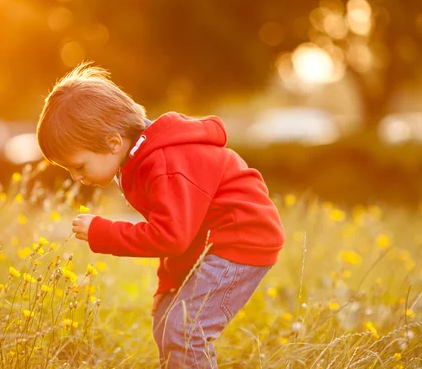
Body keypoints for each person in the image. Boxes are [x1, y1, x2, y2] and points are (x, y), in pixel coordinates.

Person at [36, 63, 285, 368]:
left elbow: (170, 237)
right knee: (168, 320)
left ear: (113, 142)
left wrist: (103, 232)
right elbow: (180, 233)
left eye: (79, 166)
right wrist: (167, 290)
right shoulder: (140, 160)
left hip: (240, 240)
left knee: (185, 331)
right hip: (212, 242)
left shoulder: (164, 162)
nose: (77, 178)